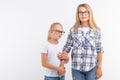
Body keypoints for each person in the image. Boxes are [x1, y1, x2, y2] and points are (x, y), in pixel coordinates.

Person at [59, 3, 104, 80]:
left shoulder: (96, 31)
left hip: (92, 68)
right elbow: (66, 49)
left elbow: (99, 50)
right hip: (76, 69)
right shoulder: (73, 30)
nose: (83, 14)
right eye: (80, 12)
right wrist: (61, 66)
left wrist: (99, 68)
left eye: (85, 12)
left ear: (89, 14)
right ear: (78, 14)